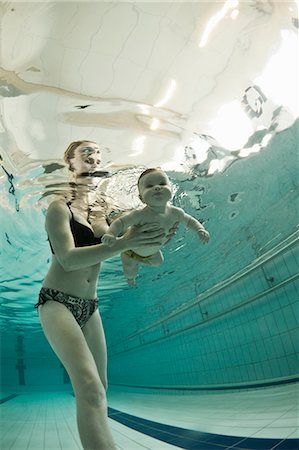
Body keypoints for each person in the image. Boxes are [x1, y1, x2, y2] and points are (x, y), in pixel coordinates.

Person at [35, 141, 166, 450]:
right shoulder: (58, 206)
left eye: (98, 153)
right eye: (85, 152)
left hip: (90, 306)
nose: (94, 157)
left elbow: (127, 247)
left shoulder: (101, 210)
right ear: (70, 162)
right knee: (90, 388)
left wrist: (148, 246)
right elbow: (67, 258)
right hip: (56, 302)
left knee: (102, 388)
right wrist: (122, 244)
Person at [102, 167, 210, 285]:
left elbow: (189, 221)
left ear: (171, 190)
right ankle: (130, 279)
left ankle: (141, 262)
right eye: (149, 186)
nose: (157, 187)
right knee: (130, 271)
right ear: (141, 198)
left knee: (159, 262)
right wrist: (111, 234)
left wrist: (200, 229)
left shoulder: (176, 212)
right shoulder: (140, 214)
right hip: (130, 252)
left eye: (162, 183)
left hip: (153, 252)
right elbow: (120, 222)